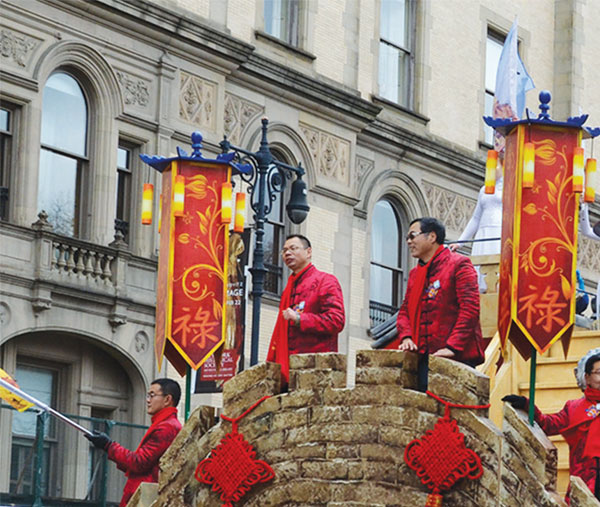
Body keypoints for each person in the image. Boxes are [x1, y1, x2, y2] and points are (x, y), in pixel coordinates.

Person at [395, 217, 485, 390]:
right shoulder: (416, 273)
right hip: (423, 359)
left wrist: (452, 347)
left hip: (457, 358)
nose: (408, 241)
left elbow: (470, 309)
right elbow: (405, 310)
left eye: (413, 236)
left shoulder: (459, 264)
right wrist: (406, 336)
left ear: (432, 237)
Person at [502, 348, 600, 502]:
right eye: (599, 372)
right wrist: (527, 405)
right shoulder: (574, 407)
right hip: (586, 483)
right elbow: (548, 425)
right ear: (587, 377)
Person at [85, 378, 182, 506]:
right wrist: (108, 446)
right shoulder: (166, 424)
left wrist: (109, 446)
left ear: (167, 399)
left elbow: (139, 463)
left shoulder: (167, 427)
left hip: (144, 497)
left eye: (152, 395)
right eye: (148, 395)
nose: (148, 400)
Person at [267, 234, 345, 383]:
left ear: (308, 252)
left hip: (316, 369)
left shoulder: (325, 281)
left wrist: (300, 319)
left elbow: (337, 321)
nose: (287, 253)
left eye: (293, 248)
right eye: (284, 251)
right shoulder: (289, 288)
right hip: (289, 368)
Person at [449, 166, 503, 292]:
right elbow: (475, 218)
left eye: (496, 166)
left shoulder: (510, 187)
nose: (492, 169)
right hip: (483, 234)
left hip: (498, 232)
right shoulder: (484, 190)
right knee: (481, 272)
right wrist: (460, 242)